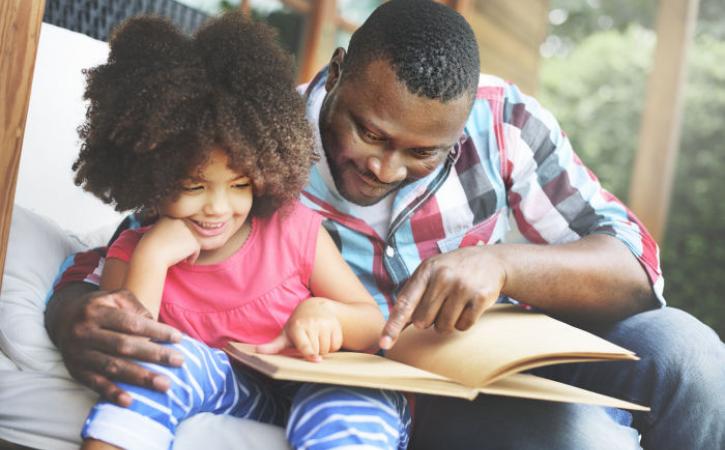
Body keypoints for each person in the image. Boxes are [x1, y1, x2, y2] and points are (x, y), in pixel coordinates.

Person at [46, 1, 724, 449]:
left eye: (421, 152)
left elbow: (634, 269)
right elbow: (126, 248)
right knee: (584, 438)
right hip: (404, 388)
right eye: (366, 130)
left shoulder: (505, 123)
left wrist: (501, 264)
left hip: (506, 348)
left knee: (692, 358)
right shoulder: (253, 142)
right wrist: (75, 311)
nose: (384, 165)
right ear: (338, 72)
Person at [66, 12, 410, 450]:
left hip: (317, 382)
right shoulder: (135, 253)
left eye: (240, 185)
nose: (217, 207)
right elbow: (130, 351)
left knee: (355, 405)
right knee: (160, 365)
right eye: (193, 186)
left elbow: (371, 324)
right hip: (235, 392)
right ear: (149, 175)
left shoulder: (291, 230)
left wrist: (327, 314)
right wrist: (152, 256)